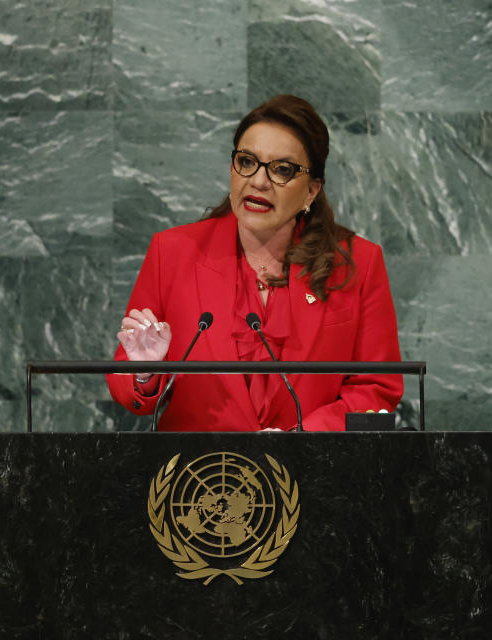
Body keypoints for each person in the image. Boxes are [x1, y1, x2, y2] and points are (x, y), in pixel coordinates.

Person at [107, 95, 403, 431]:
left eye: (282, 170)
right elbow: (126, 382)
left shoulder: (358, 262)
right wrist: (145, 373)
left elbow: (377, 390)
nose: (259, 181)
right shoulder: (172, 252)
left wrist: (304, 437)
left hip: (313, 472)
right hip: (199, 476)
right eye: (247, 162)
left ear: (311, 191)